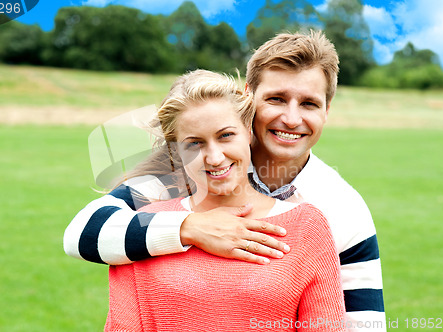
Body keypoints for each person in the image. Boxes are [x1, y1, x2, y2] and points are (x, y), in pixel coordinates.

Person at [64, 30, 385, 330]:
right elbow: (82, 232)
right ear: (249, 99)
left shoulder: (342, 208)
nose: (291, 118)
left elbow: (364, 323)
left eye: (309, 103)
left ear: (327, 111)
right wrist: (190, 227)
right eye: (275, 99)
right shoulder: (184, 175)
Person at [105, 69, 345, 331]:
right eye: (194, 144)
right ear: (176, 152)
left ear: (249, 133)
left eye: (225, 135)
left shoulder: (307, 227)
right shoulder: (143, 228)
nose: (215, 157)